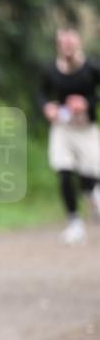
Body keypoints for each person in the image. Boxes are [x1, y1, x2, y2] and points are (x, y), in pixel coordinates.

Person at [41, 27, 100, 245]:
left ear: (79, 44)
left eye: (71, 43)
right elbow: (42, 93)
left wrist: (87, 103)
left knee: (88, 177)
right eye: (63, 43)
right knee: (63, 172)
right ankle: (75, 223)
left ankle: (92, 193)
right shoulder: (52, 70)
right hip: (62, 129)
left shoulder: (91, 68)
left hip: (86, 128)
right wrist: (47, 107)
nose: (67, 47)